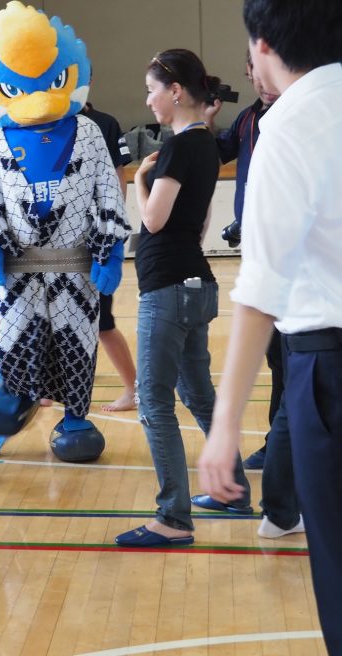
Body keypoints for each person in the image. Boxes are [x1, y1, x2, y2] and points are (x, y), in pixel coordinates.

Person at [199, 0, 342, 655]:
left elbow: (260, 290)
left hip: (331, 369)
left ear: (263, 44)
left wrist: (224, 427)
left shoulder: (287, 124)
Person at [114, 49, 250, 548]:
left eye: (152, 90)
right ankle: (232, 491)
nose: (148, 100)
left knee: (154, 401)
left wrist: (139, 182)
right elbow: (200, 224)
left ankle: (173, 517)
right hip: (197, 284)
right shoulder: (206, 147)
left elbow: (153, 220)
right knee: (197, 393)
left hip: (169, 289)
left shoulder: (175, 151)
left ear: (174, 91)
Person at [205, 53, 282, 470]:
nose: (263, 80)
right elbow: (217, 154)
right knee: (275, 354)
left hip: (293, 255)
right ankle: (279, 441)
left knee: (293, 354)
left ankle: (283, 443)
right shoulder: (249, 119)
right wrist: (209, 120)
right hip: (258, 249)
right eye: (255, 72)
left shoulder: (299, 114)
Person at [81, 100, 138, 413]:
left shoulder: (104, 123)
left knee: (103, 322)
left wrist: (111, 227)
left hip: (96, 237)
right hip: (60, 239)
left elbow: (119, 177)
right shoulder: (48, 124)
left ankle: (133, 387)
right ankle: (47, 388)